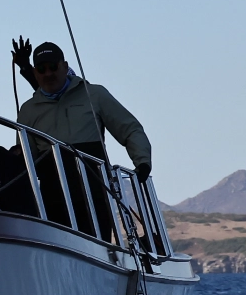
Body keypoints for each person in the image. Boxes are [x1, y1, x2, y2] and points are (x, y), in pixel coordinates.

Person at [10, 39, 152, 237]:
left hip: (94, 195)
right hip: (53, 199)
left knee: (97, 246)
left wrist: (143, 163)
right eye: (42, 69)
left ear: (65, 66)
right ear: (35, 72)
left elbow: (130, 129)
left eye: (53, 67)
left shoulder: (94, 94)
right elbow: (27, 160)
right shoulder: (28, 111)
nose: (48, 73)